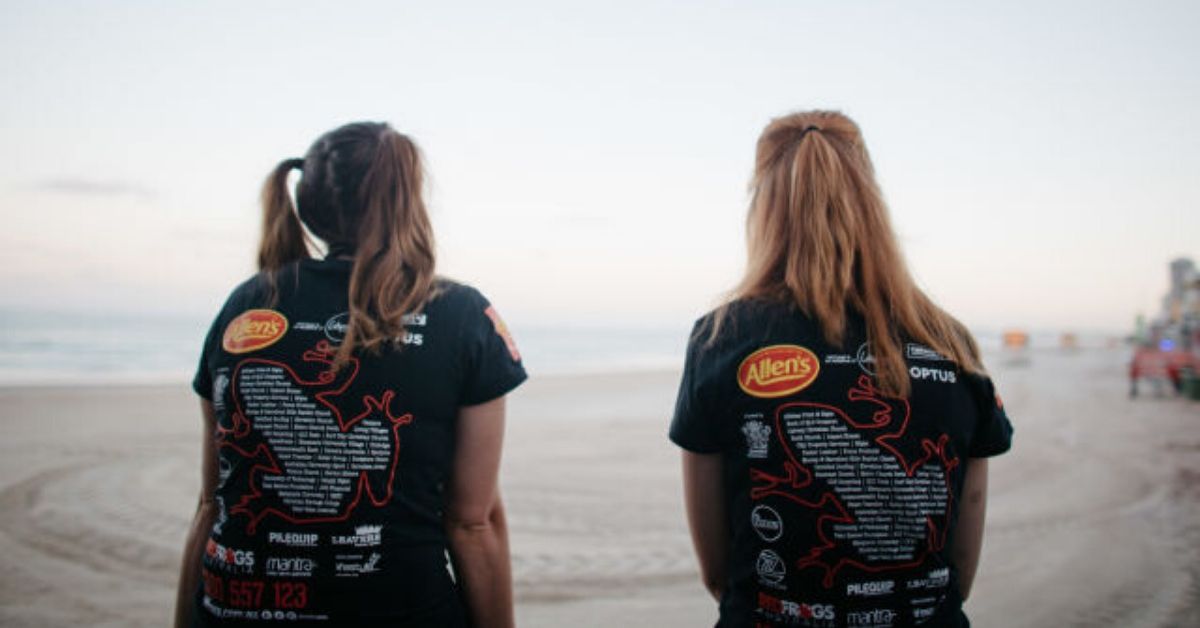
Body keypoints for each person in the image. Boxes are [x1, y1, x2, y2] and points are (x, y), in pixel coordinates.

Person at [174, 122, 526, 627]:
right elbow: (473, 521)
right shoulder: (460, 314)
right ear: (407, 201)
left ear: (308, 203)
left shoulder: (248, 303)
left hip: (233, 608)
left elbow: (211, 502)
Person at [670, 111, 1013, 627]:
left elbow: (718, 572)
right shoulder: (952, 344)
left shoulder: (721, 340)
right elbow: (960, 572)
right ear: (872, 201)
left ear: (762, 209)